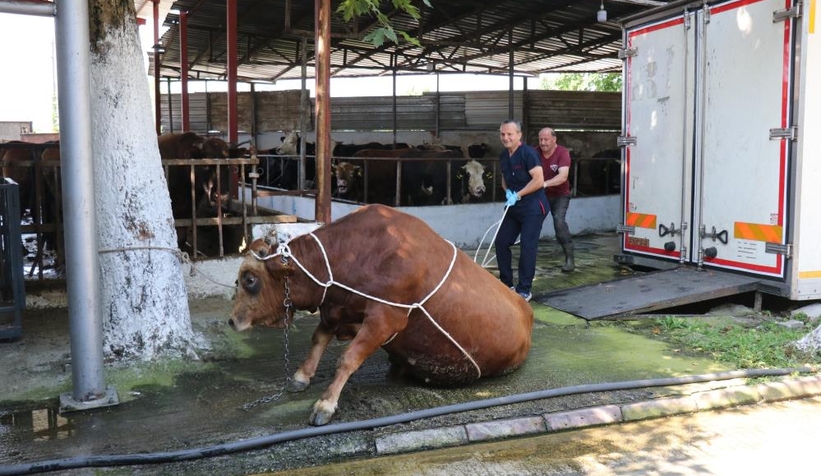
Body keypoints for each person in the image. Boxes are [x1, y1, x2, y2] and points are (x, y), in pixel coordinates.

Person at [495, 120, 549, 302]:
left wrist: (518, 194)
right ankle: (506, 284)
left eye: (510, 134)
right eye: (503, 134)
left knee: (527, 245)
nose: (506, 137)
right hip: (514, 207)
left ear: (519, 135)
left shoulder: (529, 153)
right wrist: (507, 192)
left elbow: (538, 180)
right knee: (501, 241)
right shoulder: (503, 156)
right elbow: (504, 179)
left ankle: (524, 289)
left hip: (533, 206)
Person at [537, 127, 574, 272]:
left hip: (560, 195)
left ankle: (569, 258)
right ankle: (528, 257)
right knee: (532, 221)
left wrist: (544, 184)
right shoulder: (535, 152)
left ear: (554, 140)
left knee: (559, 221)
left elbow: (563, 176)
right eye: (540, 139)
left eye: (546, 139)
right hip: (541, 195)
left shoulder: (563, 153)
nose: (543, 143)